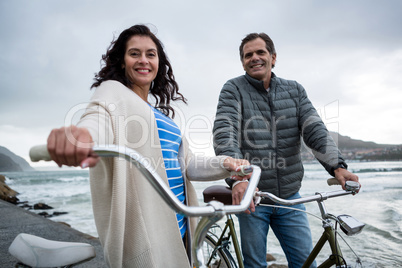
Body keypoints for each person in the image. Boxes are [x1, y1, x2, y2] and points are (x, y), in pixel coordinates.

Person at [47, 24, 251, 268]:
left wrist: (226, 163)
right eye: (134, 53)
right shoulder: (112, 92)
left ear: (158, 63)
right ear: (122, 61)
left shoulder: (161, 117)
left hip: (182, 229)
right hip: (146, 238)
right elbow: (97, 118)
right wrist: (81, 137)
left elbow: (188, 167)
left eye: (150, 54)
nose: (143, 60)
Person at [213, 32, 359, 268]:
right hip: (253, 196)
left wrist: (338, 168)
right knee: (254, 265)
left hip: (290, 197)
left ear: (273, 57)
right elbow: (224, 131)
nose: (254, 58)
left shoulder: (295, 91)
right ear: (242, 62)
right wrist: (239, 178)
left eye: (260, 52)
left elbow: (316, 132)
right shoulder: (233, 89)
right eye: (248, 55)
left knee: (305, 263)